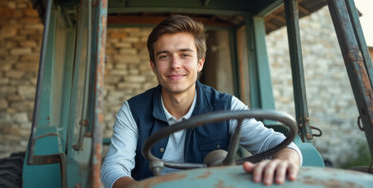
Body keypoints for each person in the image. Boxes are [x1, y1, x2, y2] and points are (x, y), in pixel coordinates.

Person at [101, 15, 302, 188]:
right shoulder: (133, 110)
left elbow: (276, 143)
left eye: (184, 55)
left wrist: (285, 160)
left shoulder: (227, 106)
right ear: (153, 65)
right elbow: (114, 166)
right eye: (164, 56)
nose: (175, 65)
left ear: (200, 63)